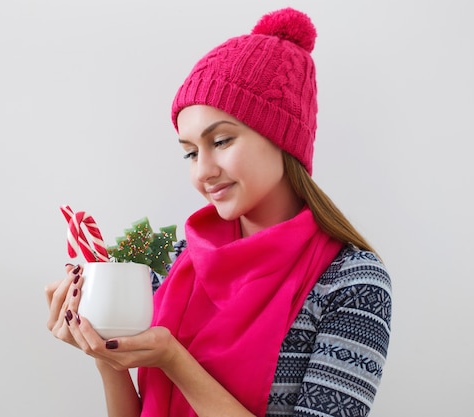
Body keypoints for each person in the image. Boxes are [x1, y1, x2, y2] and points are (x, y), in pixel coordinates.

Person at [45, 7, 392, 417]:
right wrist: (104, 349)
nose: (203, 172)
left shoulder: (351, 282)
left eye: (222, 140)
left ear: (284, 138)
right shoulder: (174, 264)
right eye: (190, 153)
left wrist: (175, 360)